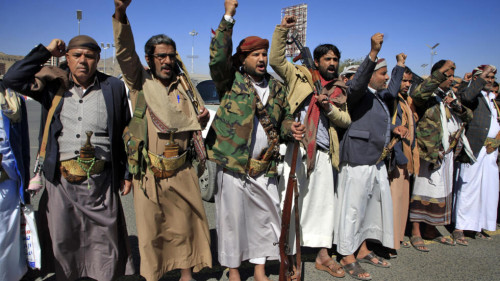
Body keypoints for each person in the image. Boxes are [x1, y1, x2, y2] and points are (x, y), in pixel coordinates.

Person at [3, 35, 135, 280]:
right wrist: (45, 51)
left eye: (89, 56)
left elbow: (125, 132)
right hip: (61, 182)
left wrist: (127, 173)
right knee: (63, 240)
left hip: (101, 181)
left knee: (106, 242)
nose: (83, 61)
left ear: (97, 59)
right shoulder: (54, 85)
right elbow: (12, 79)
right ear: (67, 57)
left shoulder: (113, 87)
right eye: (77, 55)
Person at [112, 1, 212, 280]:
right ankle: (153, 275)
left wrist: (200, 120)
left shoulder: (186, 85)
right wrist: (121, 15)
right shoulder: (139, 81)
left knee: (185, 226)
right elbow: (123, 51)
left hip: (181, 169)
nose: (167, 61)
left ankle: (186, 275)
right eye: (160, 57)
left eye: (171, 56)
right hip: (149, 172)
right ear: (149, 60)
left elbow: (196, 120)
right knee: (150, 231)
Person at [207, 1, 296, 280]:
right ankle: (233, 269)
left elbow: (283, 122)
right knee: (232, 222)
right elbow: (218, 58)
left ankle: (259, 269)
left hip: (264, 166)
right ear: (243, 59)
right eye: (255, 54)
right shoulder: (229, 81)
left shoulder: (278, 89)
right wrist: (228, 17)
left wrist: (291, 128)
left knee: (265, 220)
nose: (261, 59)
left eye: (264, 54)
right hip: (233, 166)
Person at [269, 15, 353, 278]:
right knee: (293, 204)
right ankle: (291, 257)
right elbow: (275, 60)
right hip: (298, 151)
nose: (332, 63)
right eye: (327, 59)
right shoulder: (300, 76)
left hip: (325, 155)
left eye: (335, 59)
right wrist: (283, 30)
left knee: (324, 208)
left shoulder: (339, 89)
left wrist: (327, 105)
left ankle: (322, 255)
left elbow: (345, 120)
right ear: (316, 62)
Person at [334, 33, 407, 279]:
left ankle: (363, 249)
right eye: (382, 73)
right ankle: (346, 256)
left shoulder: (378, 96)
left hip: (375, 162)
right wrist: (373, 53)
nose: (386, 78)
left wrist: (399, 66)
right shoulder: (357, 93)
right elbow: (357, 83)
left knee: (369, 210)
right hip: (356, 160)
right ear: (371, 74)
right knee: (352, 211)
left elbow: (393, 89)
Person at [408, 60, 474, 252]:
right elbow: (418, 95)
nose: (451, 79)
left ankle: (431, 229)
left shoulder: (450, 96)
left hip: (447, 154)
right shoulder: (428, 95)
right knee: (421, 192)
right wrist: (440, 74)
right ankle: (416, 231)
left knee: (439, 193)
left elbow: (468, 116)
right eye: (447, 75)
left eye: (452, 76)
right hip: (429, 152)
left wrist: (456, 106)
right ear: (438, 75)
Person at [453, 65, 499, 244]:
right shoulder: (473, 95)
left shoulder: (492, 99)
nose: (490, 80)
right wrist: (477, 79)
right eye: (486, 77)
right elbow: (465, 96)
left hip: (490, 151)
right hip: (475, 149)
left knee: (487, 189)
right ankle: (460, 228)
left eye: (492, 77)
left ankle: (478, 226)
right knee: (469, 188)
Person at [387, 66, 420, 257]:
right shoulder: (393, 100)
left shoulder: (407, 101)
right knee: (394, 202)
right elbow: (386, 123)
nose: (407, 84)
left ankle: (397, 238)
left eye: (409, 81)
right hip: (397, 156)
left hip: (407, 157)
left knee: (401, 201)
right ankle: (389, 242)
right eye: (404, 80)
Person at [0, 81, 30, 281]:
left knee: (6, 235)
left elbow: (22, 145)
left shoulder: (13, 100)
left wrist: (26, 180)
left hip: (7, 180)